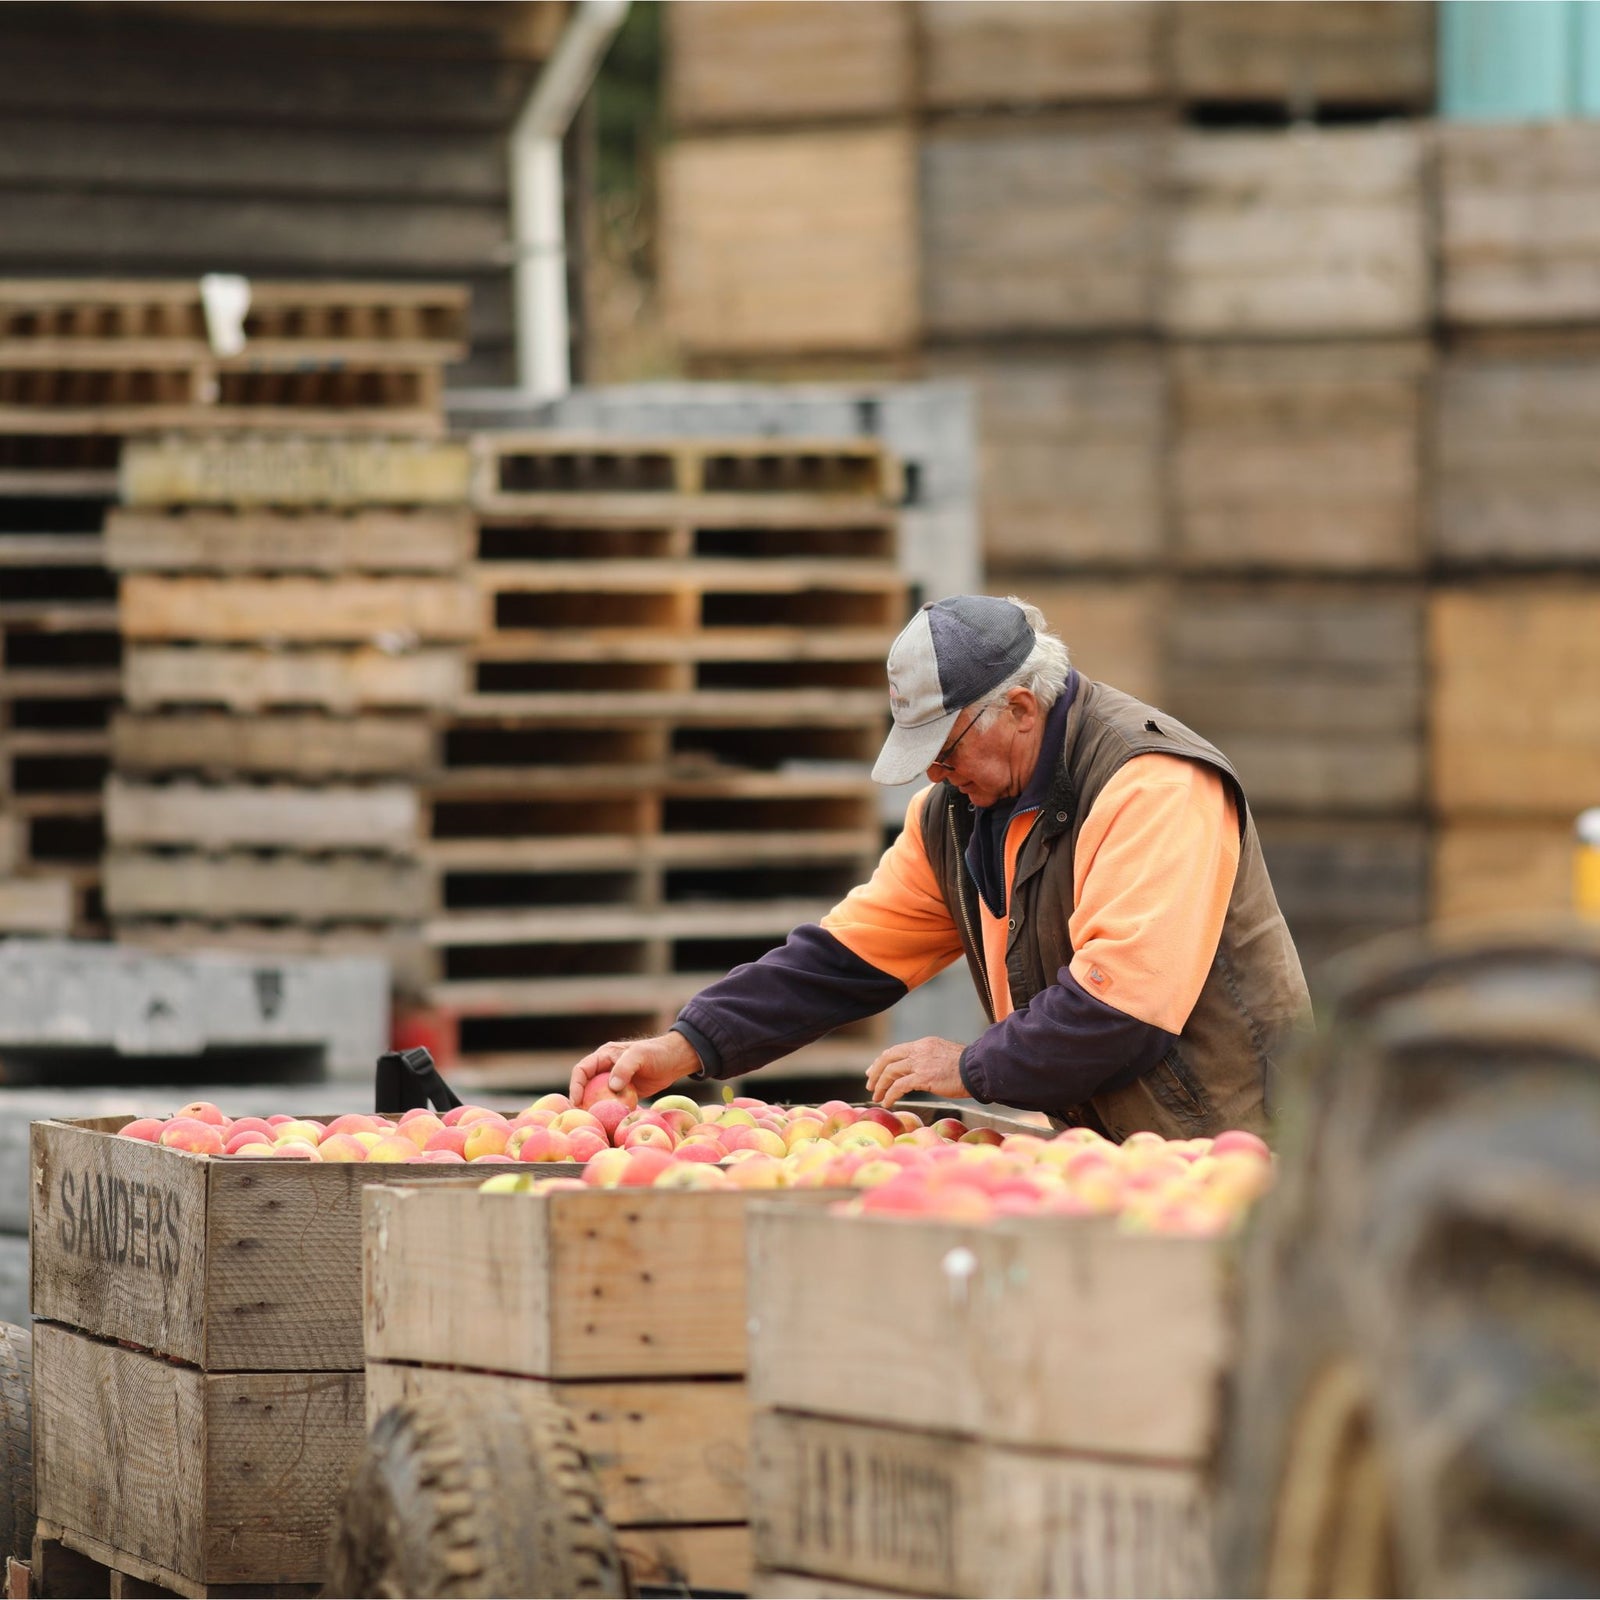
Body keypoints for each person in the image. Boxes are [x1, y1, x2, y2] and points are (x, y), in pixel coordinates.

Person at [570, 595, 1311, 1140]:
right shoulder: (955, 812)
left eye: (947, 748)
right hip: (1117, 1156)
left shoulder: (1150, 783)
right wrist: (687, 1046)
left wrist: (971, 1067)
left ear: (1020, 709)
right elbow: (842, 960)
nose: (934, 770)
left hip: (1234, 1156)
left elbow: (1121, 1014)